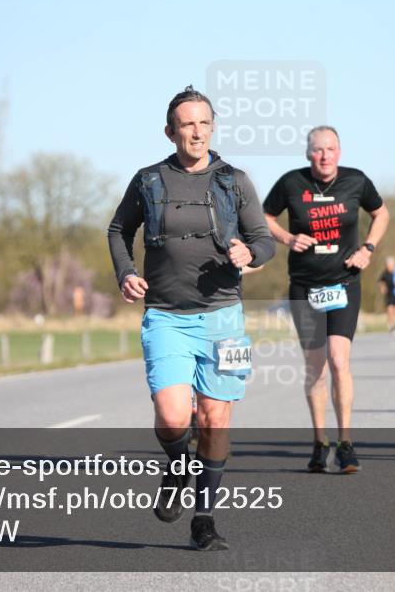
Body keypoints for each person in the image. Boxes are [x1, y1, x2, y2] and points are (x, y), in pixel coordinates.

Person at [107, 86, 275, 551]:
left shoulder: (235, 181)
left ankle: (204, 519)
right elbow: (119, 229)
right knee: (172, 414)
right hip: (166, 314)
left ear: (212, 127)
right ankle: (178, 468)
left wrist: (249, 250)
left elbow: (264, 239)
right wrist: (126, 273)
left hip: (224, 316)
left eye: (203, 123)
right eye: (187, 124)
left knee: (216, 419)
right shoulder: (148, 180)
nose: (196, 132)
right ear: (170, 131)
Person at [263, 125, 389, 474]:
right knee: (316, 367)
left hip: (344, 282)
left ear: (340, 152)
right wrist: (287, 238)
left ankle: (346, 442)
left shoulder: (356, 181)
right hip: (305, 287)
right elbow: (264, 217)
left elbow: (381, 213)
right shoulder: (292, 183)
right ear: (308, 153)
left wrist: (368, 248)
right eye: (318, 150)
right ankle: (320, 442)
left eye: (331, 149)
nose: (325, 156)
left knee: (339, 360)